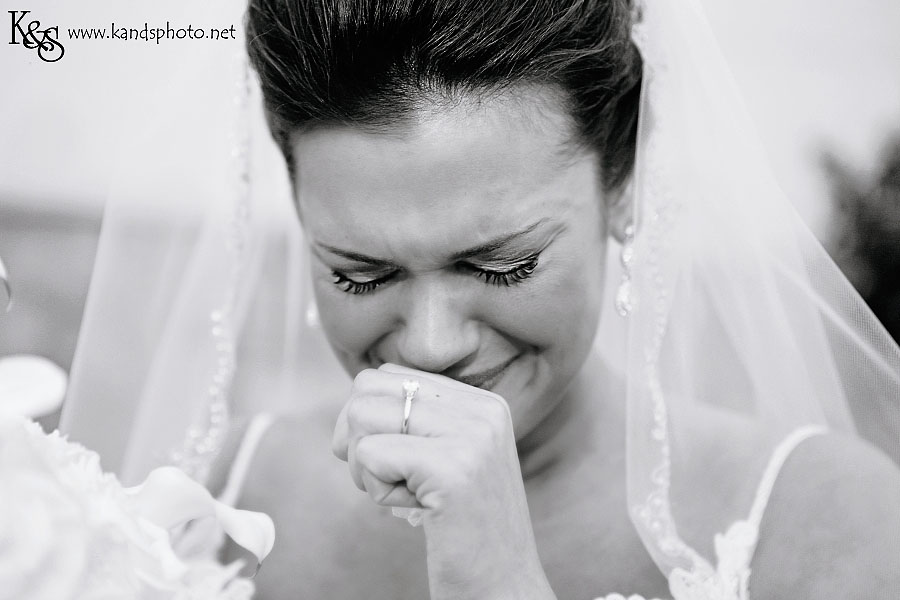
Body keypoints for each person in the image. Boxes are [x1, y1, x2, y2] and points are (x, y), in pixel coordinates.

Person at [61, 0, 900, 598]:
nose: (431, 346)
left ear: (625, 180)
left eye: (502, 266)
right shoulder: (212, 495)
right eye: (361, 273)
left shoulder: (828, 520)